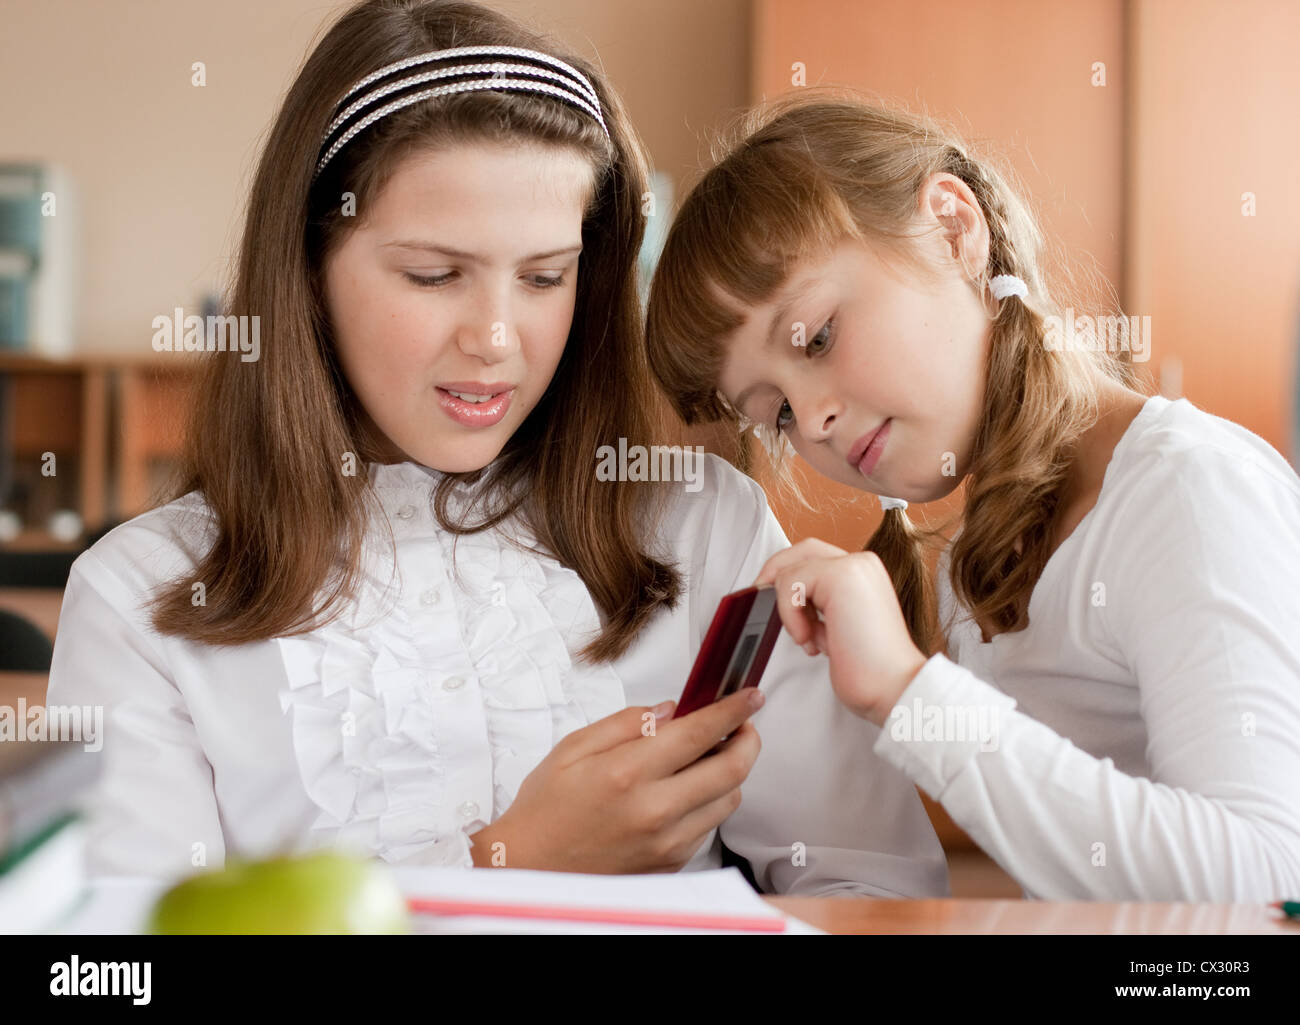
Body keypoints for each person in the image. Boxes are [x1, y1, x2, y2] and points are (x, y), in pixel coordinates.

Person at [45, 2, 947, 897]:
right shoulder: (140, 599)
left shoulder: (703, 521)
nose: (496, 338)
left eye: (545, 277)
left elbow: (876, 888)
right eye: (434, 275)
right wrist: (506, 864)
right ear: (309, 271)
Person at [644, 92, 1300, 901]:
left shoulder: (1186, 491)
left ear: (955, 229)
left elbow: (1271, 887)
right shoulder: (974, 559)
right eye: (776, 412)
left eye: (817, 336)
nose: (812, 418)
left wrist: (907, 691)